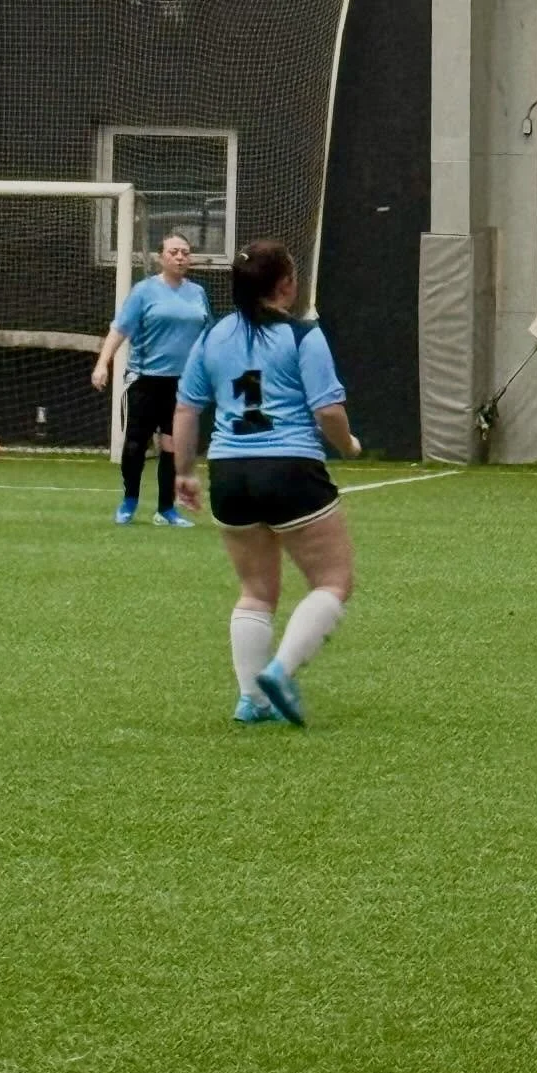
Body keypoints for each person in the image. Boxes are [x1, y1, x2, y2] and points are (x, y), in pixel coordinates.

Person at [172, 238, 360, 728]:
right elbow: (327, 410)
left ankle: (250, 698)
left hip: (230, 474)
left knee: (255, 590)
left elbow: (188, 408)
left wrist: (184, 472)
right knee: (333, 580)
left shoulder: (212, 336)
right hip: (290, 468)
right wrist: (348, 445)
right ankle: (280, 671)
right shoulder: (302, 336)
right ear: (285, 285)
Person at [92, 233, 211, 527]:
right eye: (174, 252)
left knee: (174, 445)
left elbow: (208, 335)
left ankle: (166, 509)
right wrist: (102, 364)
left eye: (185, 252)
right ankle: (129, 502)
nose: (180, 257)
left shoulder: (197, 293)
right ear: (161, 257)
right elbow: (119, 329)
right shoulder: (144, 291)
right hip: (146, 379)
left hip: (183, 384)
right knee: (135, 443)